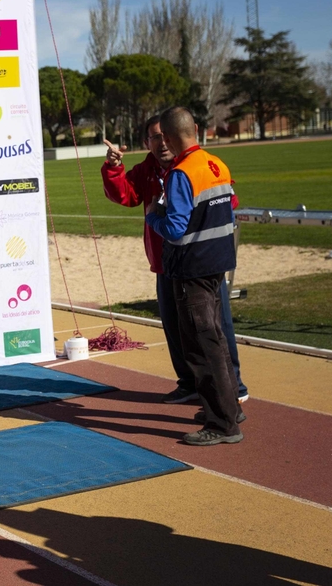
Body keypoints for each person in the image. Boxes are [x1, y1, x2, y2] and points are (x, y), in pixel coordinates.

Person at [102, 117, 249, 405]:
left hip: (199, 261)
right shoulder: (147, 169)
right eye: (154, 137)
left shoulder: (195, 167)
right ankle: (190, 383)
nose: (161, 142)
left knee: (214, 328)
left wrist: (164, 213)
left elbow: (227, 202)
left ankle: (234, 385)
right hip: (165, 262)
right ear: (147, 143)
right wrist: (113, 168)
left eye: (164, 135)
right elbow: (124, 194)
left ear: (176, 135)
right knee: (175, 327)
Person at [146, 106, 244, 446]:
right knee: (215, 337)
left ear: (170, 139)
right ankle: (229, 407)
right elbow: (230, 208)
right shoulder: (217, 164)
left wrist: (152, 218)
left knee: (202, 346)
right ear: (197, 130)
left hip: (192, 268)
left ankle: (222, 423)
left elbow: (174, 230)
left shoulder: (180, 174)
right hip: (218, 263)